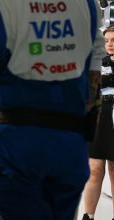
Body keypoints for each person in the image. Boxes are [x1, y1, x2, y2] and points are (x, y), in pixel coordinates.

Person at [0, 1, 105, 219]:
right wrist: (78, 141)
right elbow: (93, 86)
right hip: (70, 144)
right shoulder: (89, 4)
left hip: (17, 145)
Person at [82, 26, 114, 220]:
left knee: (113, 168)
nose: (110, 45)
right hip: (98, 117)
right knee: (94, 169)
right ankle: (89, 215)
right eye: (107, 41)